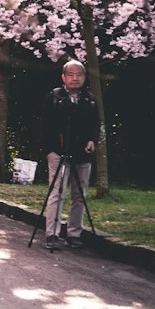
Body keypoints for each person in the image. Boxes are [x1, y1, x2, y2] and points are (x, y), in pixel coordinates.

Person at [41, 58, 100, 252]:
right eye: (71, 75)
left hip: (82, 153)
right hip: (58, 151)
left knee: (80, 194)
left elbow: (95, 125)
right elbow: (46, 124)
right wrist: (50, 149)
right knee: (57, 192)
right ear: (63, 77)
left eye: (79, 75)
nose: (75, 79)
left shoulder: (90, 99)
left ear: (84, 77)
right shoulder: (55, 97)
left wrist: (92, 141)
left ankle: (74, 234)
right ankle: (52, 234)